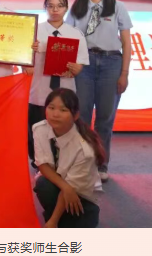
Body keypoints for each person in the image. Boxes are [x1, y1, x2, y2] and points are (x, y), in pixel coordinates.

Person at [66, 0, 132, 182]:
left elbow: (126, 42)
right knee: (82, 116)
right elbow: (67, 38)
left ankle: (101, 163)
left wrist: (124, 73)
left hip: (111, 64)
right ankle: (83, 162)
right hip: (83, 64)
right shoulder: (76, 8)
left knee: (105, 117)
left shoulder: (118, 7)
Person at [25, 0, 89, 168]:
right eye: (50, 6)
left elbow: (80, 64)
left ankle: (62, 163)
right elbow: (23, 60)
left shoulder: (75, 33)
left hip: (65, 89)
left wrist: (76, 68)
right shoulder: (34, 30)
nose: (55, 10)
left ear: (66, 8)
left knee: (63, 129)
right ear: (45, 8)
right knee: (36, 129)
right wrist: (27, 59)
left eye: (60, 6)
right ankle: (38, 163)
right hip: (39, 89)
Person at [32, 88, 105, 228]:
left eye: (63, 110)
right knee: (43, 185)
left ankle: (57, 217)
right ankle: (55, 215)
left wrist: (53, 221)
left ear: (75, 115)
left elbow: (73, 187)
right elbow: (42, 164)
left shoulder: (85, 150)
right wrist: (65, 187)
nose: (55, 114)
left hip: (81, 196)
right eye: (51, 108)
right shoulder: (39, 129)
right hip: (62, 186)